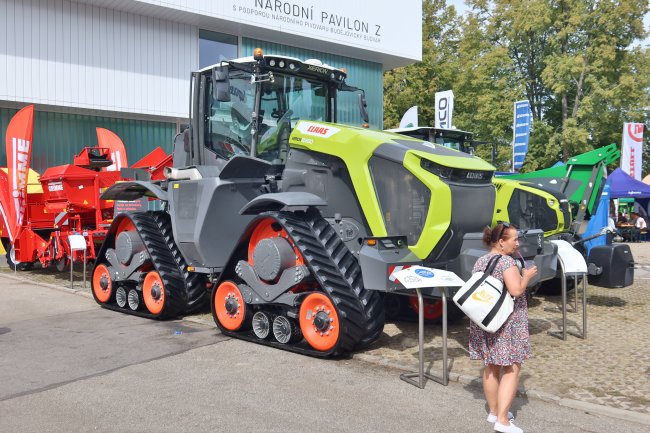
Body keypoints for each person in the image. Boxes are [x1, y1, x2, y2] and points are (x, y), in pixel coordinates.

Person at [469, 221, 538, 433]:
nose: (517, 243)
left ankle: (494, 411)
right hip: (507, 323)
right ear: (501, 242)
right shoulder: (506, 262)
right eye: (514, 239)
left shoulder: (480, 261)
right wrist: (526, 276)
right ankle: (502, 421)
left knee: (490, 365)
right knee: (512, 367)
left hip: (485, 320)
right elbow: (516, 290)